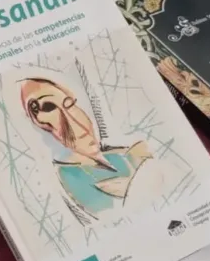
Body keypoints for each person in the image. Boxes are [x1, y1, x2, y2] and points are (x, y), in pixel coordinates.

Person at [20, 75, 153, 221]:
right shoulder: (69, 176)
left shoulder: (115, 154)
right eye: (51, 109)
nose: (78, 123)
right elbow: (110, 216)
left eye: (70, 104)